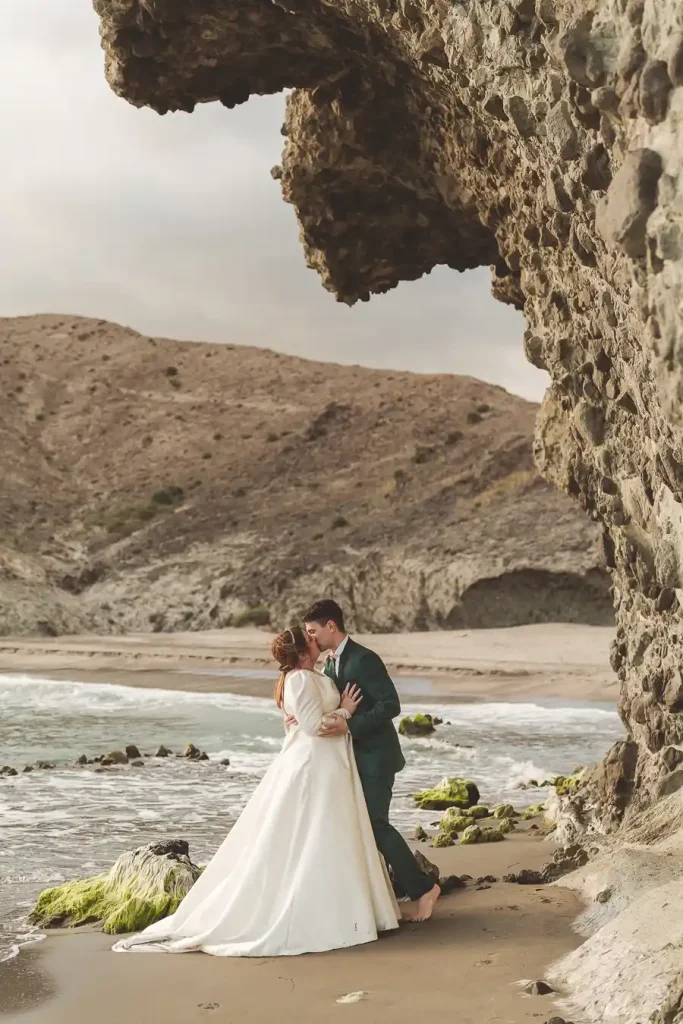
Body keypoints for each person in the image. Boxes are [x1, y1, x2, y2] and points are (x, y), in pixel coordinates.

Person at [112, 625, 399, 957]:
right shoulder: (301, 679)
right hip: (315, 765)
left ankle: (342, 908)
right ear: (303, 651)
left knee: (324, 833)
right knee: (317, 832)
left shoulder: (308, 675)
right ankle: (330, 912)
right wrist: (346, 710)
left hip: (326, 764)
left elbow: (302, 718)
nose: (314, 639)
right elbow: (312, 727)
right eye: (309, 637)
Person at [299, 599, 440, 923]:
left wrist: (350, 724)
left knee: (376, 825)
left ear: (330, 626)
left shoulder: (364, 659)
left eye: (313, 631)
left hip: (377, 756)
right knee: (358, 827)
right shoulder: (331, 663)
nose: (311, 638)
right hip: (351, 759)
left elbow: (391, 705)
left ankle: (424, 889)